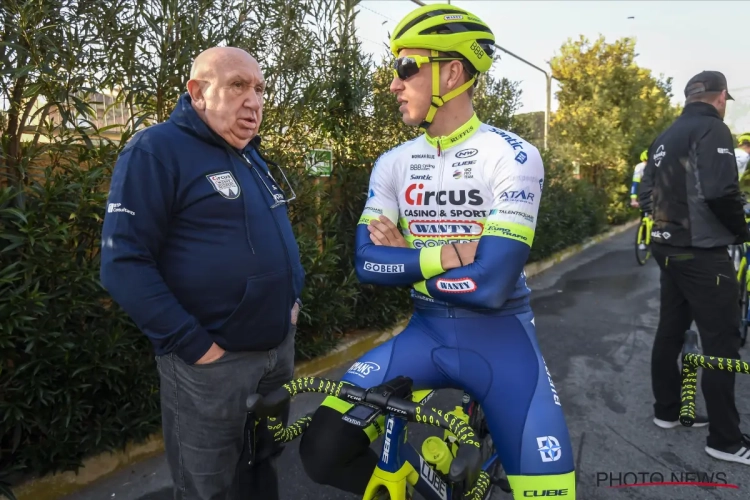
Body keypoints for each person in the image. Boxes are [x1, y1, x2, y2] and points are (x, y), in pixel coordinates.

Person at [297, 4, 576, 499]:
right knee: (322, 451)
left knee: (552, 493)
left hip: (503, 341)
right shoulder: (393, 163)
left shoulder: (511, 155)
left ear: (452, 73)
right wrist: (445, 256)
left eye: (406, 67)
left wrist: (406, 259)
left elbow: (490, 287)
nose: (393, 84)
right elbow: (367, 264)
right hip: (424, 335)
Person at [100, 46, 305, 499]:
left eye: (260, 89)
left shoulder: (251, 156)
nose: (254, 101)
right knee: (208, 486)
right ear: (197, 92)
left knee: (264, 465)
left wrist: (291, 303)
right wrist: (196, 347)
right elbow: (122, 262)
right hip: (210, 365)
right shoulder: (156, 149)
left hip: (276, 352)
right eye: (238, 85)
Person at [639, 70, 750, 465]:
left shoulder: (665, 135)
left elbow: (645, 193)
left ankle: (668, 410)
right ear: (721, 97)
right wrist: (742, 231)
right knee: (721, 342)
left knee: (670, 329)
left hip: (667, 247)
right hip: (701, 253)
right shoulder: (713, 129)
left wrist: (666, 223)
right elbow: (721, 191)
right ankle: (725, 440)